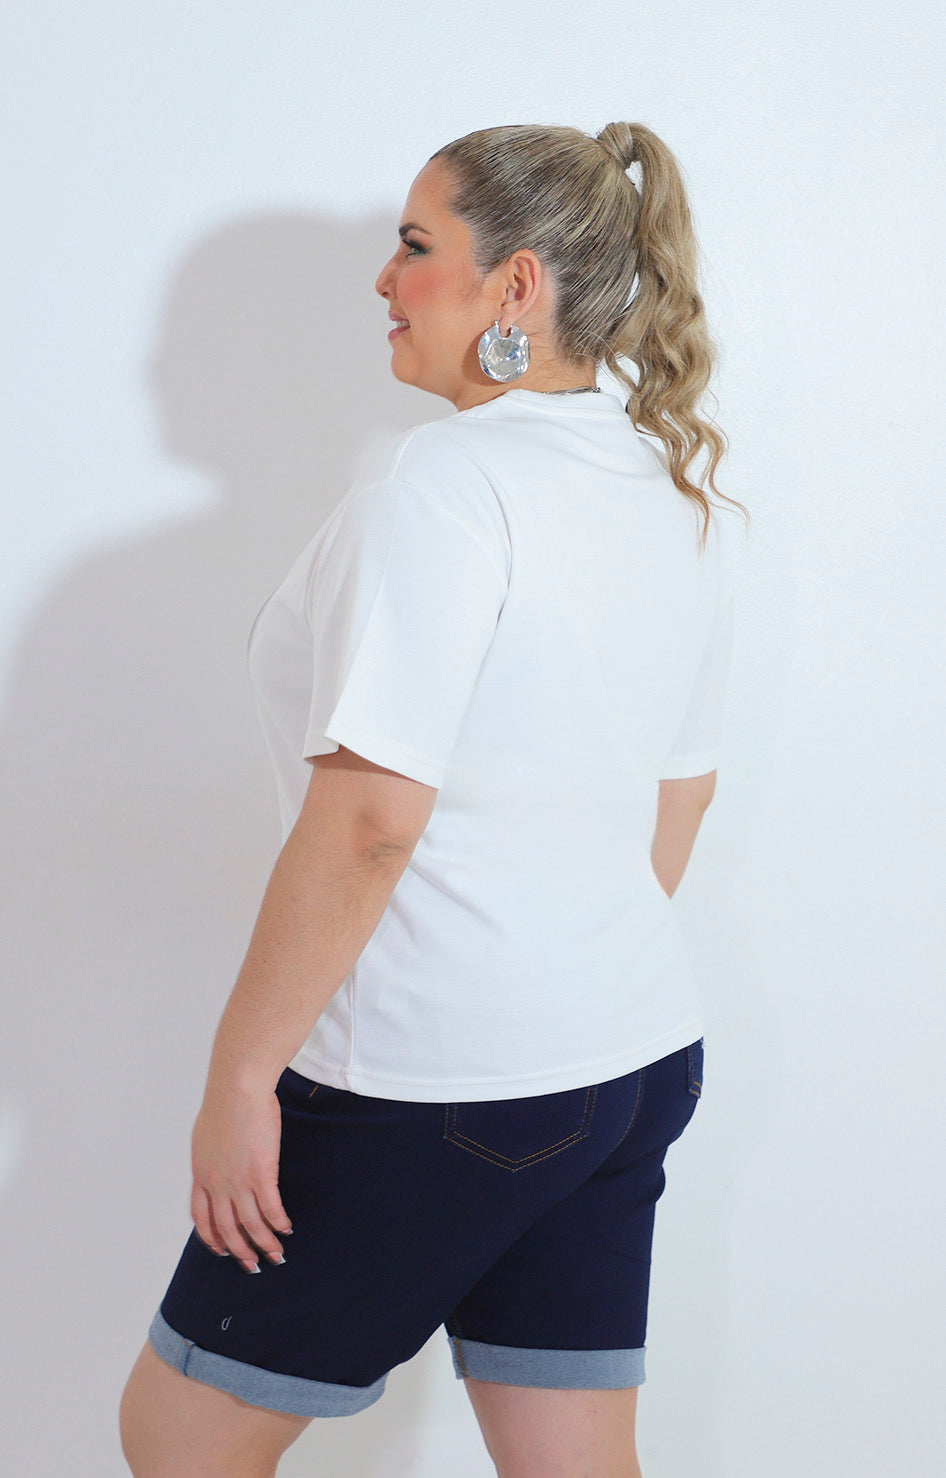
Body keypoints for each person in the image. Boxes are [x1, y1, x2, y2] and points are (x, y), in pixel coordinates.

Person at [119, 120, 749, 1478]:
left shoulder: (445, 487)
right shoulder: (664, 484)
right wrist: (558, 987)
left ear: (515, 286)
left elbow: (368, 823)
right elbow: (682, 795)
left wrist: (241, 1077)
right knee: (572, 1459)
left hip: (437, 1082)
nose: (383, 280)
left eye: (414, 246)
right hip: (630, 1058)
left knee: (177, 1438)